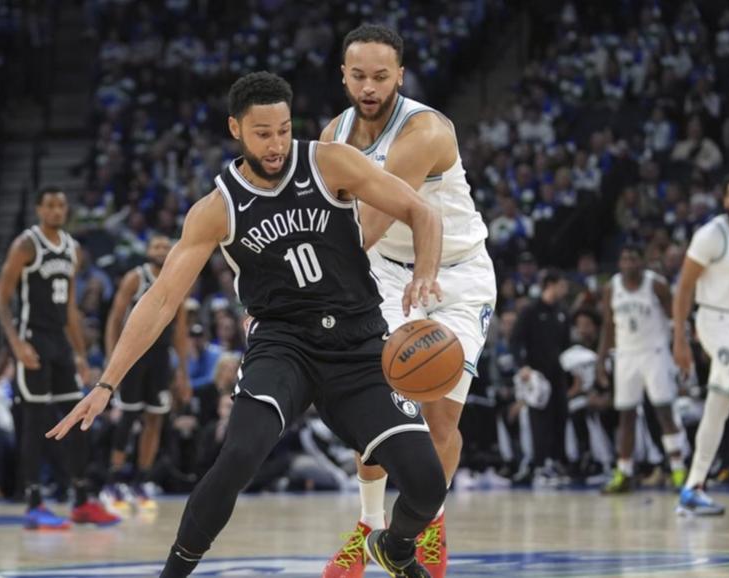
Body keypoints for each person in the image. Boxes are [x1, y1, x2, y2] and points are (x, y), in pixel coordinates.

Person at [47, 72, 446, 578]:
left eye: (283, 129)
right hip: (284, 345)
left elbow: (420, 211)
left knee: (428, 483)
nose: (276, 143)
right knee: (238, 455)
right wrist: (107, 382)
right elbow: (163, 297)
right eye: (263, 133)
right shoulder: (218, 208)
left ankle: (395, 547)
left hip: (358, 340)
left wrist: (426, 274)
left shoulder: (330, 163)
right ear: (236, 128)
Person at [320, 24, 496, 578]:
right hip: (382, 272)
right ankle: (371, 525)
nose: (369, 87)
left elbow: (371, 221)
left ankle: (427, 523)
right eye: (358, 75)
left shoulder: (423, 131)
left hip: (456, 274)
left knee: (440, 415)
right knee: (376, 405)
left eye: (380, 76)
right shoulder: (335, 135)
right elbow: (328, 222)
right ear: (343, 76)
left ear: (400, 75)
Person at [0, 187, 120, 529]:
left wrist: (80, 354)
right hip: (32, 340)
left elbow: (70, 310)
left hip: (60, 344)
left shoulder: (73, 249)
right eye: (49, 205)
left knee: (78, 418)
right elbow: (1, 299)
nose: (56, 210)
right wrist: (16, 343)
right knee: (34, 422)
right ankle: (33, 502)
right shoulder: (26, 244)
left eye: (61, 205)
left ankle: (81, 500)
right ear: (38, 209)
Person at [673, 170, 729, 515]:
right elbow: (684, 288)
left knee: (718, 405)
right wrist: (680, 339)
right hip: (716, 320)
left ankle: (692, 489)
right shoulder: (711, 235)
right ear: (724, 200)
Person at [103, 235, 191, 511]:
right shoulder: (134, 278)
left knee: (155, 418)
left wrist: (182, 371)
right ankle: (114, 481)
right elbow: (115, 319)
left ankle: (141, 480)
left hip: (160, 358)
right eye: (156, 246)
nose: (161, 251)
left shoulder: (179, 279)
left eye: (166, 247)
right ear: (147, 251)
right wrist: (112, 360)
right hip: (134, 355)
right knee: (128, 417)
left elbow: (180, 330)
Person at [597, 245, 687, 494]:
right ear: (619, 263)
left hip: (654, 353)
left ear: (642, 262)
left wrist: (681, 346)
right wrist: (600, 361)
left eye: (633, 259)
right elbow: (607, 326)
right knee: (626, 415)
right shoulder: (611, 288)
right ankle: (624, 472)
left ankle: (678, 469)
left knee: (664, 412)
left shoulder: (655, 285)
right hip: (626, 355)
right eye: (624, 259)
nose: (628, 263)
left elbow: (675, 318)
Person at [509, 269, 570, 484]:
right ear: (550, 284)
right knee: (539, 421)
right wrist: (522, 365)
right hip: (536, 376)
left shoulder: (562, 312)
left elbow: (566, 344)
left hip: (558, 375)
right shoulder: (530, 311)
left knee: (560, 417)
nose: (566, 289)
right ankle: (539, 465)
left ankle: (556, 462)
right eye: (562, 284)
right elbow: (515, 341)